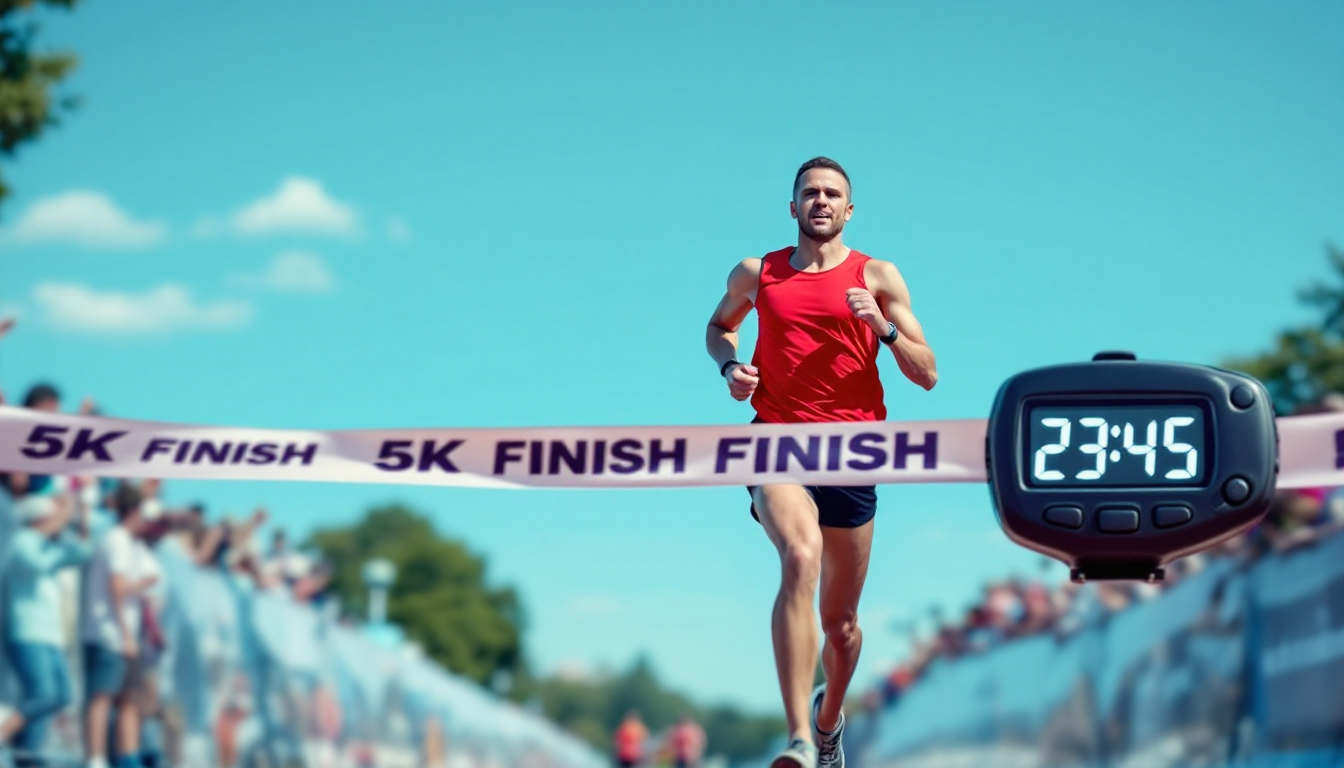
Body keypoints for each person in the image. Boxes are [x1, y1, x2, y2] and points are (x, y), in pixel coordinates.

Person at [705, 157, 938, 767]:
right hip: (777, 441)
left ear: (849, 210)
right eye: (810, 193)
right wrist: (730, 367)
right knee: (800, 557)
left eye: (833, 194)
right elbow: (718, 327)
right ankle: (799, 740)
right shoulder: (758, 272)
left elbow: (928, 373)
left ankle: (828, 720)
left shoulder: (878, 275)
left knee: (842, 624)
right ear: (793, 207)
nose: (821, 201)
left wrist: (883, 328)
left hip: (853, 454)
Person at [0, 489, 92, 765]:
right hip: (28, 632)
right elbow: (39, 564)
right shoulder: (23, 541)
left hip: (51, 635)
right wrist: (66, 511)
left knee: (62, 695)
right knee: (43, 695)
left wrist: (82, 515)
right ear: (39, 517)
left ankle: (24, 751)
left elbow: (83, 553)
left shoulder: (47, 544)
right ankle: (5, 735)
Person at [80, 483, 158, 768]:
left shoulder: (133, 544)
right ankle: (96, 759)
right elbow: (118, 587)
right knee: (102, 697)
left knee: (130, 698)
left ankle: (129, 757)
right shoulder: (117, 540)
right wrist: (126, 634)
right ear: (133, 511)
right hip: (108, 634)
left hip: (126, 635)